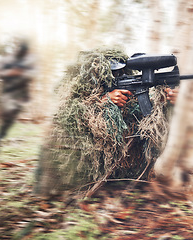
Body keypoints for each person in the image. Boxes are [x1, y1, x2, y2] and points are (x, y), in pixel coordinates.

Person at [34, 47, 178, 196]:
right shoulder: (73, 100)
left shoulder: (131, 92)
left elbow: (145, 120)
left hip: (121, 166)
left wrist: (165, 102)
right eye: (111, 75)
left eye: (119, 74)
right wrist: (105, 100)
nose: (116, 77)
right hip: (81, 167)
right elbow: (73, 118)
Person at [0, 40, 36, 154]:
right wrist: (11, 72)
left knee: (11, 120)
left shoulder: (27, 62)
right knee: (8, 115)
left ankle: (0, 135)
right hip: (8, 93)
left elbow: (31, 76)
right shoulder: (8, 60)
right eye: (22, 51)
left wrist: (22, 75)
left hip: (20, 94)